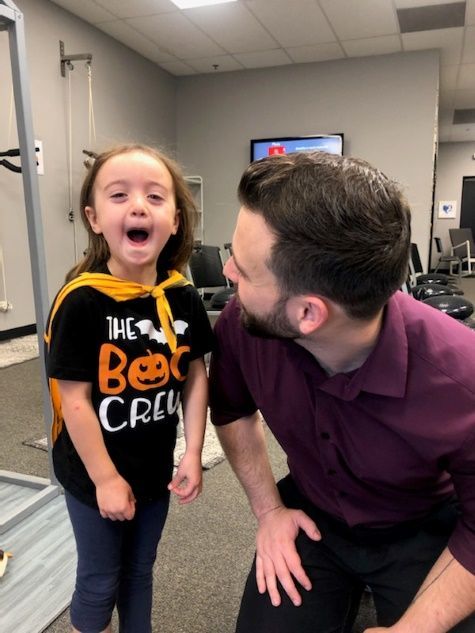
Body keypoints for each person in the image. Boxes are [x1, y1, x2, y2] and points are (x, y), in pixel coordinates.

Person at [209, 151, 475, 633]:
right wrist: (269, 512)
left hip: (424, 527)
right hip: (313, 512)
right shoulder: (242, 324)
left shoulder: (463, 380)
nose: (227, 272)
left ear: (308, 314)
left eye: (243, 270)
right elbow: (231, 411)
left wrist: (417, 628)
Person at [44, 143, 214, 633]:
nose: (138, 206)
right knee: (100, 579)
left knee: (140, 572)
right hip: (92, 470)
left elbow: (195, 374)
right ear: (94, 218)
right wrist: (105, 480)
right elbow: (72, 399)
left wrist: (193, 451)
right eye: (120, 195)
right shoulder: (83, 302)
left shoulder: (181, 297)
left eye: (155, 197)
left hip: (152, 468)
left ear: (176, 220)